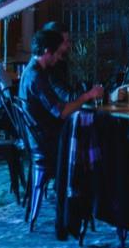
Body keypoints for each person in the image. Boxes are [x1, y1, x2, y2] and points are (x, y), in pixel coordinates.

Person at [19, 28, 104, 169]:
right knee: (99, 132)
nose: (59, 57)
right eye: (57, 53)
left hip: (36, 138)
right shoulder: (36, 77)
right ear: (47, 51)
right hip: (46, 141)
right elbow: (62, 113)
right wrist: (88, 95)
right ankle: (79, 184)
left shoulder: (31, 71)